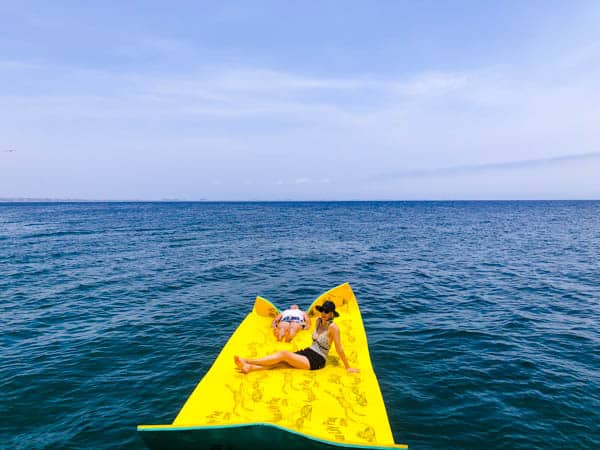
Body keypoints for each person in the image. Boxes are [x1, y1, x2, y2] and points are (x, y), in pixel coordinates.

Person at [235, 300, 360, 374]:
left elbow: (339, 349)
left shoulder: (333, 327)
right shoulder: (318, 321)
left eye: (326, 312)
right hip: (308, 352)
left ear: (332, 313)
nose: (323, 313)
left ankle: (248, 360)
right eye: (322, 310)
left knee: (283, 354)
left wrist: (348, 367)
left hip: (317, 360)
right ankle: (249, 368)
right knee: (281, 362)